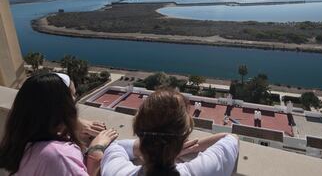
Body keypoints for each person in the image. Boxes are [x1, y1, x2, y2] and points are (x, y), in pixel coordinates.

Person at [0, 73, 118, 176]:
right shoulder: (59, 156)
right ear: (63, 106)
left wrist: (73, 121)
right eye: (72, 95)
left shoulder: (19, 140)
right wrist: (96, 149)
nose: (75, 99)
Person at [101, 88, 239, 176]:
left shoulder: (115, 171)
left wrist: (158, 149)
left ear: (138, 130)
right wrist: (176, 150)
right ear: (184, 137)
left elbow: (116, 146)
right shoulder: (205, 170)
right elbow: (231, 138)